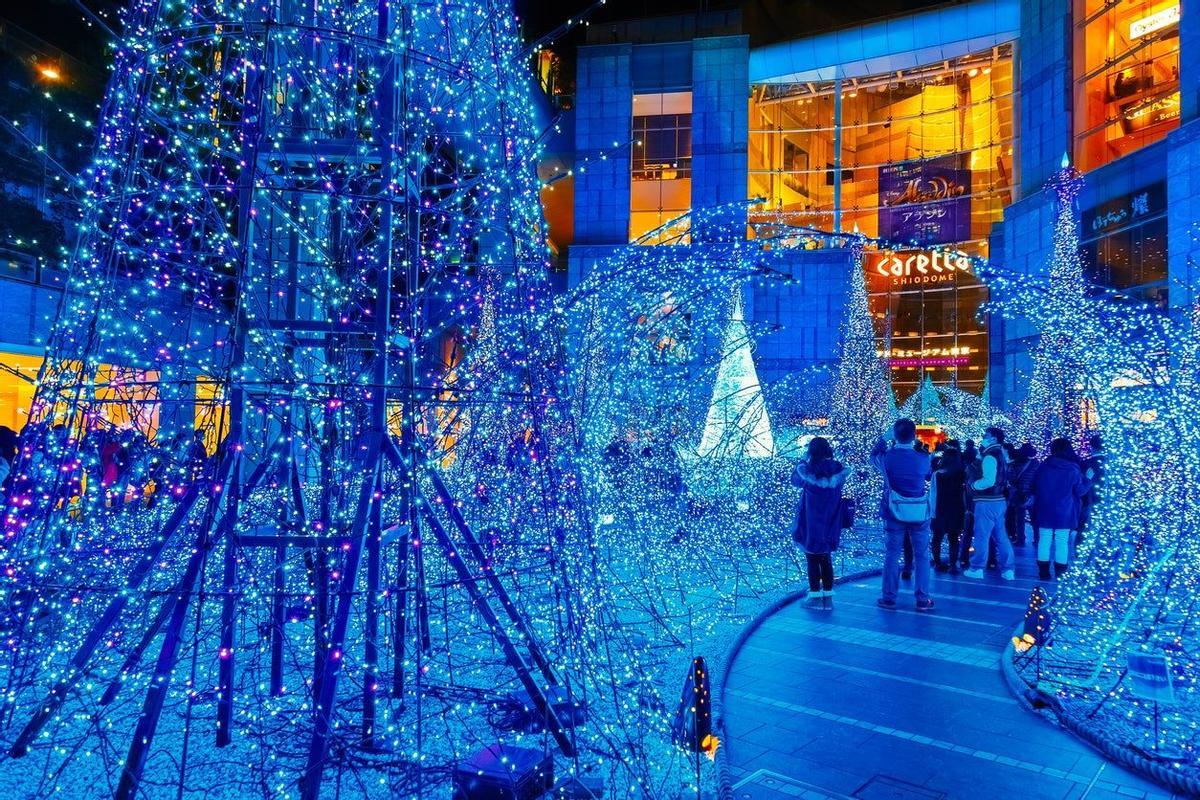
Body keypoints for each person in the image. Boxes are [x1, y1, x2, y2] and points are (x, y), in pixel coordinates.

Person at [871, 419, 934, 612]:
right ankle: (923, 599)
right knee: (922, 556)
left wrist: (883, 438)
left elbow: (872, 456)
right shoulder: (924, 458)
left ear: (895, 435)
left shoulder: (887, 458)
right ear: (914, 435)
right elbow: (929, 475)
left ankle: (889, 597)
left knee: (892, 555)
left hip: (893, 511)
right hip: (919, 512)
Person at [791, 436, 849, 610]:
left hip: (811, 522)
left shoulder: (807, 469)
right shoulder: (838, 469)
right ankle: (828, 600)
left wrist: (802, 460)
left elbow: (795, 481)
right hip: (831, 521)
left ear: (811, 451)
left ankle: (815, 597)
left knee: (812, 558)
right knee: (826, 558)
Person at [1032, 438, 1090, 580]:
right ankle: (1060, 573)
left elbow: (1034, 486)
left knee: (1044, 540)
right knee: (1062, 541)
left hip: (1044, 509)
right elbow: (1080, 491)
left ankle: (1043, 573)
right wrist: (1088, 480)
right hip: (1064, 511)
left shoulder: (1043, 467)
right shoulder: (1073, 469)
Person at [963, 426, 1014, 580]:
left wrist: (973, 485)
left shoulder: (990, 456)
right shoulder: (1001, 455)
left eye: (986, 435)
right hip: (999, 501)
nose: (983, 437)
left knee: (981, 536)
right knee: (1001, 536)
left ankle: (977, 568)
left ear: (993, 439)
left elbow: (989, 481)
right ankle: (1008, 569)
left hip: (986, 501)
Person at [930, 447, 966, 573]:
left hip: (940, 510)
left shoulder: (937, 474)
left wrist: (932, 513)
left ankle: (937, 563)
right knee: (954, 539)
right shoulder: (962, 473)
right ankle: (953, 565)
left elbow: (933, 495)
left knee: (937, 538)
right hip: (957, 510)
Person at [1006, 443, 1038, 547]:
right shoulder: (1036, 464)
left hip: (1019, 494)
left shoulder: (1015, 464)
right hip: (1032, 494)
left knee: (1020, 519)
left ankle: (1020, 539)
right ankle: (1037, 538)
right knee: (1034, 519)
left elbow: (1011, 478)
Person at [1079, 434, 1104, 540]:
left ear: (1091, 447)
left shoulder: (1085, 463)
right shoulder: (1111, 465)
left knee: (1085, 530)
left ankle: (1080, 554)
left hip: (1088, 500)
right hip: (1106, 502)